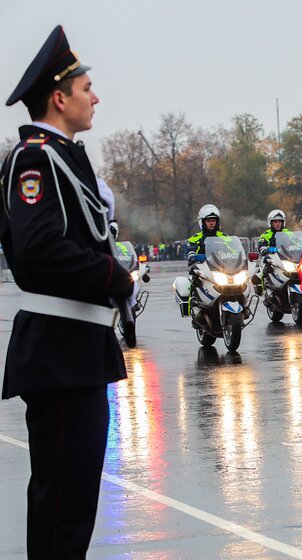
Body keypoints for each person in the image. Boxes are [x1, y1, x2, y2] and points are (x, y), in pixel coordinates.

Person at [0, 26, 134, 558]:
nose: (94, 98)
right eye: (86, 88)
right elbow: (39, 249)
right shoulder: (35, 159)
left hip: (76, 349)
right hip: (59, 349)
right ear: (59, 98)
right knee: (61, 510)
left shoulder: (61, 155)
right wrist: (113, 276)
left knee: (74, 506)